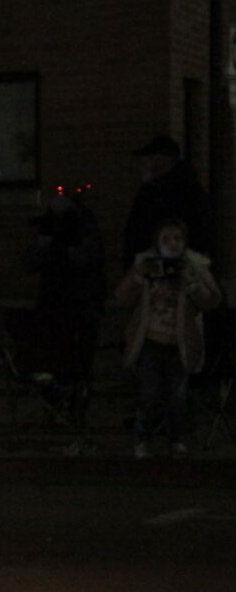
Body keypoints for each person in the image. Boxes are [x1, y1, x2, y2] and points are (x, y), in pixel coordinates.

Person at [115, 218, 221, 456]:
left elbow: (212, 301)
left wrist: (191, 283)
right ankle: (142, 439)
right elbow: (122, 297)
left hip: (180, 339)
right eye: (166, 239)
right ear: (157, 242)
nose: (172, 244)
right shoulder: (146, 264)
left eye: (177, 238)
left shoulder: (194, 265)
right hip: (150, 338)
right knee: (148, 393)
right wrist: (140, 277)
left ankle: (176, 438)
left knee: (177, 395)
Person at [25, 184, 106, 411]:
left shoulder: (83, 227)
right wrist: (46, 242)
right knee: (55, 358)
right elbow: (31, 261)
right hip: (53, 305)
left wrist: (61, 247)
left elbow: (88, 260)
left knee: (79, 361)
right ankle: (57, 401)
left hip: (81, 303)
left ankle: (76, 402)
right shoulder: (50, 229)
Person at [122, 134, 211, 266]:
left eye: (149, 158)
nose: (144, 164)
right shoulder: (188, 189)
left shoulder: (157, 193)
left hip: (160, 265)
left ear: (162, 159)